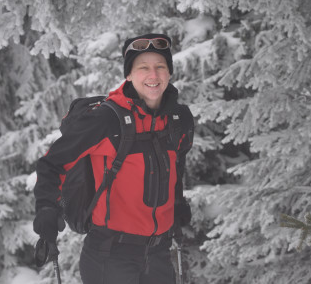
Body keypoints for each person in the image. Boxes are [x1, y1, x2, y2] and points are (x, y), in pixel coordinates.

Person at [33, 33, 194, 284]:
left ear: (169, 73)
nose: (153, 75)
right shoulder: (107, 120)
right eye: (143, 68)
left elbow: (176, 165)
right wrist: (46, 207)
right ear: (129, 75)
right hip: (110, 257)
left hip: (159, 254)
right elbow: (52, 163)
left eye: (160, 67)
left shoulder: (178, 120)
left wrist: (177, 202)